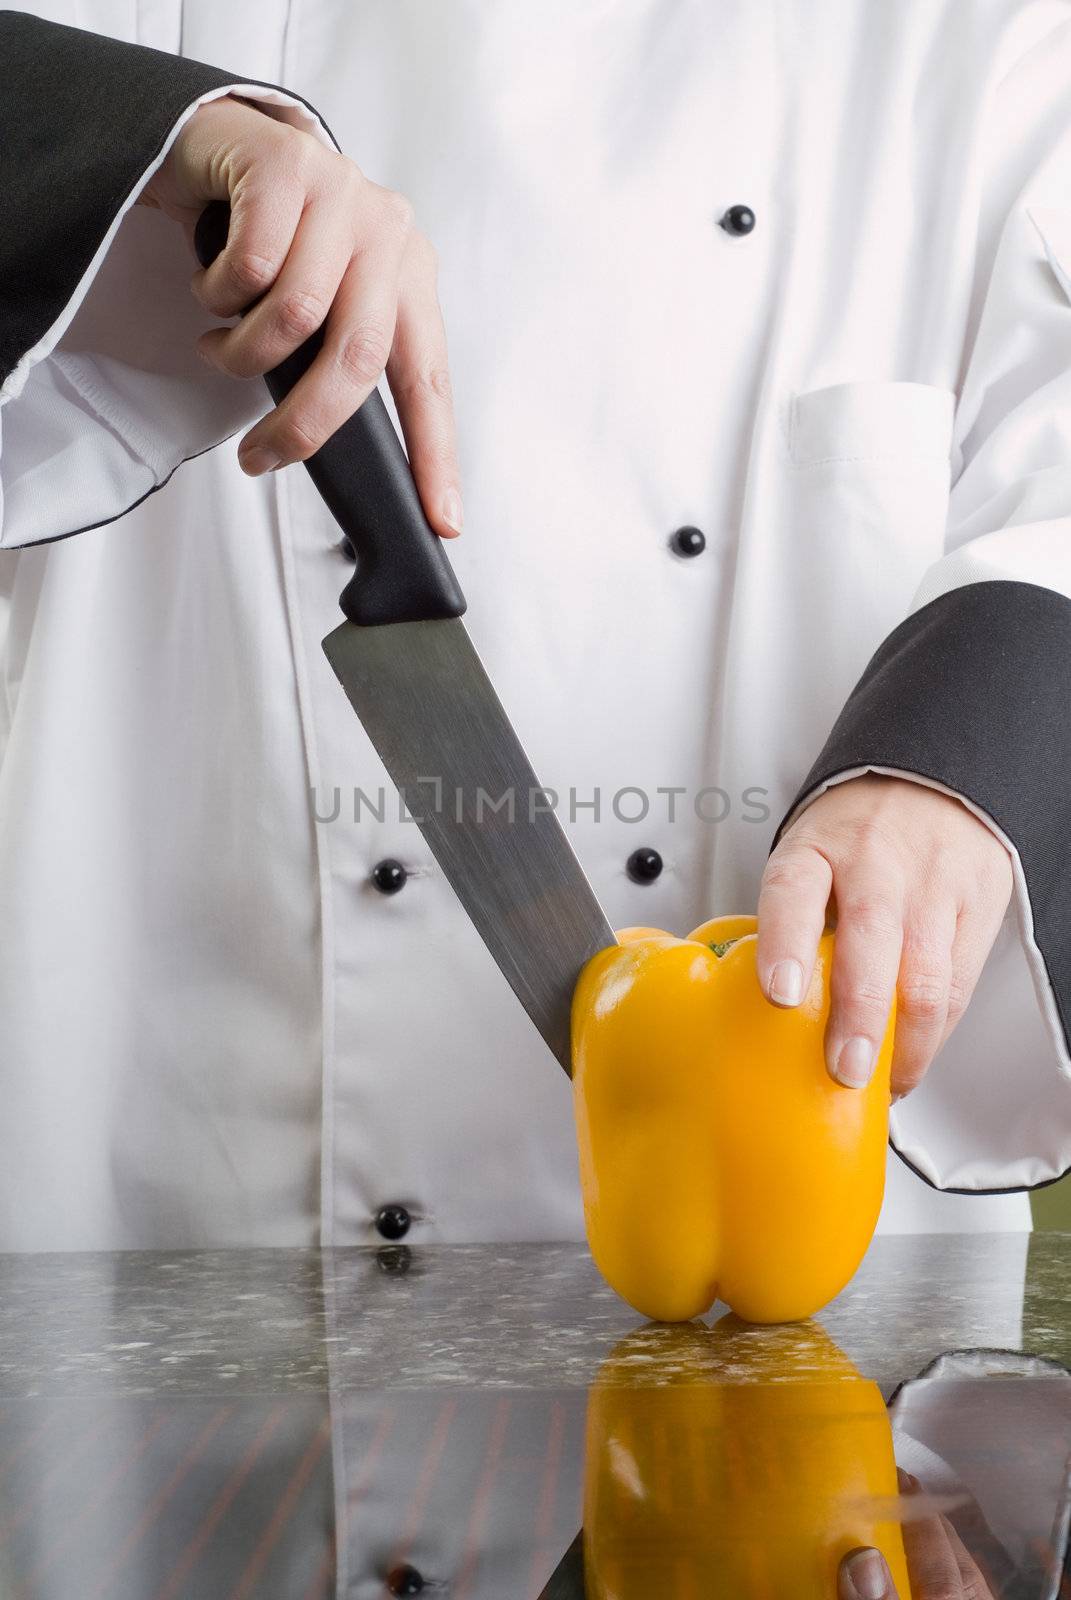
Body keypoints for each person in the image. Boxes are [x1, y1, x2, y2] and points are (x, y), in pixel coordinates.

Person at [2, 0, 1071, 1255]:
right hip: (204, 1167)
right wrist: (159, 137)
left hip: (808, 1186)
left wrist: (960, 762)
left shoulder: (990, 33)